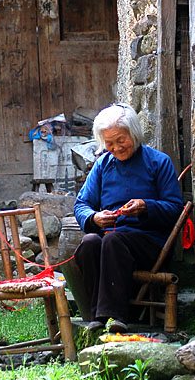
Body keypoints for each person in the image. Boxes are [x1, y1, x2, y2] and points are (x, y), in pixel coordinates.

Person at [73, 103, 183, 333]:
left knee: (114, 241)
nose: (115, 148)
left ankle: (116, 316)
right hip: (113, 242)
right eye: (109, 143)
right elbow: (82, 204)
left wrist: (146, 207)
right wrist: (94, 218)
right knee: (90, 242)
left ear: (134, 133)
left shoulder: (158, 162)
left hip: (149, 243)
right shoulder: (103, 165)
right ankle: (96, 318)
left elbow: (174, 209)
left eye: (120, 140)